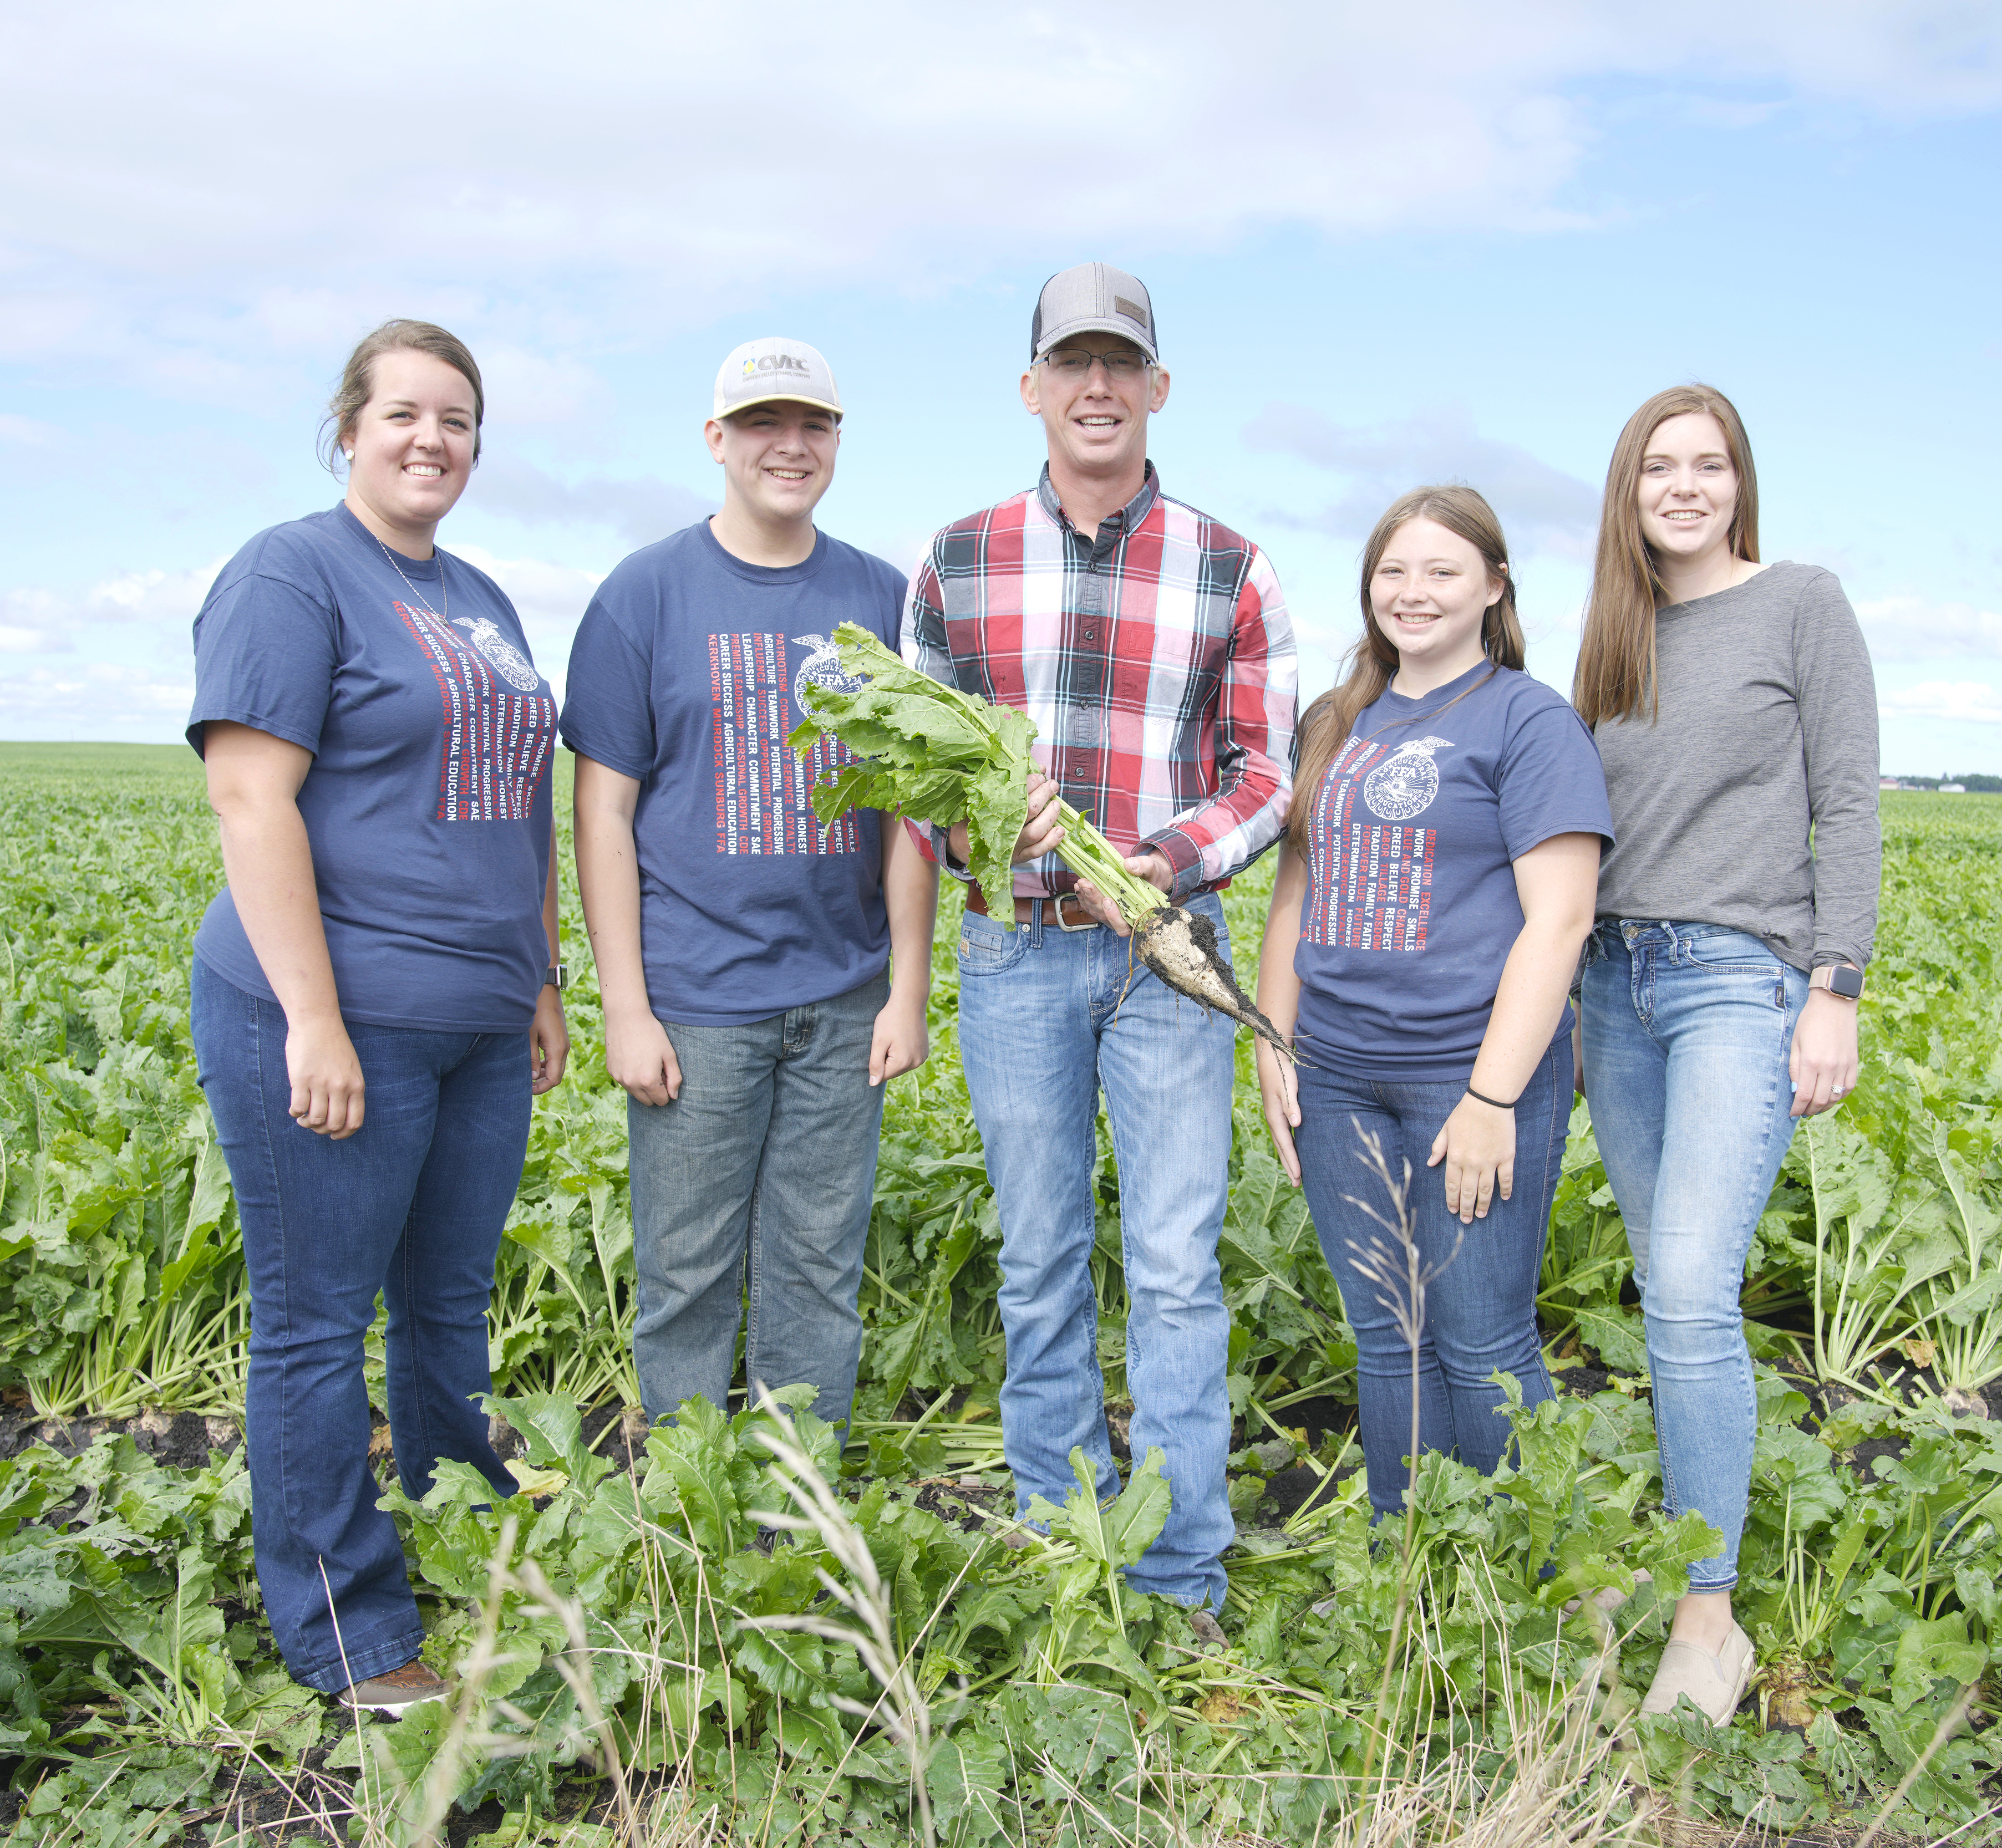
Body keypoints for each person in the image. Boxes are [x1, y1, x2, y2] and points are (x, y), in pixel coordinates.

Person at [186, 319, 567, 1715]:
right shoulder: (293, 572)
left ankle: (457, 1538)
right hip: (335, 1009)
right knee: (313, 1318)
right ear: (348, 427)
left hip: (477, 1019)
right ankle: (346, 1632)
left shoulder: (478, 595)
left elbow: (514, 800)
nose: (433, 439)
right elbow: (250, 796)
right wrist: (312, 1017)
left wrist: (536, 974)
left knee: (448, 1306)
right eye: (404, 412)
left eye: (458, 418)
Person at [905, 262, 1295, 1615]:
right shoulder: (955, 559)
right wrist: (976, 830)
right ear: (1029, 387)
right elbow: (915, 774)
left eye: (1120, 363)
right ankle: (1063, 1538)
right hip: (1013, 949)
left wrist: (1164, 860)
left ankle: (1185, 1566)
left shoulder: (1230, 564)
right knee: (1040, 1254)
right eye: (1071, 362)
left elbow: (1264, 771)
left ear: (1158, 388)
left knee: (1177, 1264)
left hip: (1165, 956)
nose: (1096, 386)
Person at [1569, 384, 1878, 1723]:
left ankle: (1709, 1615)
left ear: (1740, 481)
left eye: (1707, 465)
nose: (1683, 486)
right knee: (1663, 1287)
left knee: (1693, 1289)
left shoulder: (1800, 602)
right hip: (1609, 983)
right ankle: (1675, 1558)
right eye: (1659, 467)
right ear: (1627, 490)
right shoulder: (1611, 638)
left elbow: (1848, 797)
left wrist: (1836, 990)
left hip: (1734, 983)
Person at [563, 338, 934, 1444]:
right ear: (717, 440)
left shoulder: (879, 595)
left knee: (818, 1263)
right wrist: (625, 1007)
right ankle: (688, 1496)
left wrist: (905, 987)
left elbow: (910, 810)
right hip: (696, 999)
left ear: (835, 442)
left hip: (841, 996)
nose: (791, 445)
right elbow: (602, 812)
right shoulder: (644, 594)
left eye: (812, 424)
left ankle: (794, 1497)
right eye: (765, 423)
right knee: (685, 1265)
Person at [1250, 487, 1610, 1516]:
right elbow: (1295, 895)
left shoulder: (1529, 721)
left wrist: (1494, 1098)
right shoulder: (1338, 718)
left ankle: (1544, 1582)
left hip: (1471, 1077)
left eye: (1443, 570)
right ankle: (1407, 1572)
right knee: (1387, 1336)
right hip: (1339, 1076)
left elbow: (1561, 919)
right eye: (1393, 571)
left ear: (1494, 586)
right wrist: (1274, 1041)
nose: (1413, 592)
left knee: (1483, 1337)